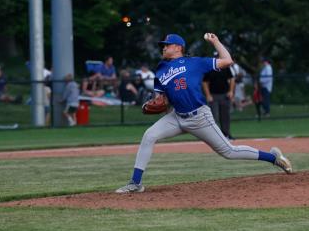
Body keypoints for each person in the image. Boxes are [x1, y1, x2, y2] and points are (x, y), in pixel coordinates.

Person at [115, 33, 293, 194]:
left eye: (167, 45)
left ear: (178, 47)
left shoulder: (195, 62)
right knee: (149, 135)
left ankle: (273, 158)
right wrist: (155, 103)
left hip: (199, 116)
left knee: (229, 152)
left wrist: (216, 42)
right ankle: (135, 183)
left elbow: (227, 61)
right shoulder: (160, 71)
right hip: (177, 116)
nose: (163, 47)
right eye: (163, 45)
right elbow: (161, 99)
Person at [202, 52, 236, 140]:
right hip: (213, 96)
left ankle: (226, 134)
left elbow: (232, 79)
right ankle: (216, 137)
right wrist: (208, 95)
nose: (217, 58)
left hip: (225, 95)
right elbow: (205, 82)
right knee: (214, 117)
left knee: (225, 116)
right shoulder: (210, 68)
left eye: (218, 57)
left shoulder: (225, 67)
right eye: (216, 57)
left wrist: (231, 91)